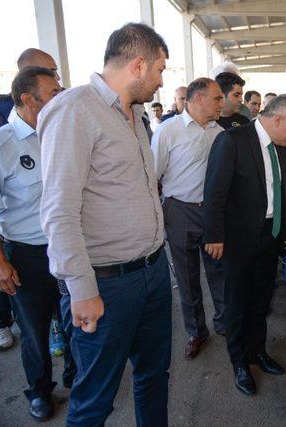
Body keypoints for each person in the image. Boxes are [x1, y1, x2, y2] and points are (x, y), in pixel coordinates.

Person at [38, 23, 171, 426]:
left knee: (153, 376)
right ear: (138, 64)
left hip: (152, 271)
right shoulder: (75, 109)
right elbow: (59, 210)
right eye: (160, 70)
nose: (162, 81)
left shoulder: (133, 114)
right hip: (107, 284)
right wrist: (81, 289)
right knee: (95, 399)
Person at [203, 95, 286, 396]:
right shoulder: (233, 140)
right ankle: (239, 362)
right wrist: (213, 235)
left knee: (261, 299)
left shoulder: (279, 148)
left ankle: (257, 352)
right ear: (277, 119)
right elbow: (214, 191)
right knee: (238, 302)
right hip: (238, 238)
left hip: (270, 233)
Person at [0, 67, 75, 422]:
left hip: (68, 246)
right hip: (27, 255)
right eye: (54, 91)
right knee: (34, 330)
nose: (62, 95)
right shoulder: (3, 146)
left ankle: (77, 375)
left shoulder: (62, 132)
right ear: (29, 99)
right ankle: (40, 390)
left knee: (75, 319)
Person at [152, 78, 226, 359]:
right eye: (217, 98)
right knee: (187, 277)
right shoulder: (168, 131)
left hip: (212, 213)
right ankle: (196, 332)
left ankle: (224, 322)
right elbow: (153, 175)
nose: (222, 103)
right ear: (197, 99)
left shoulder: (219, 132)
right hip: (179, 210)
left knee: (218, 271)